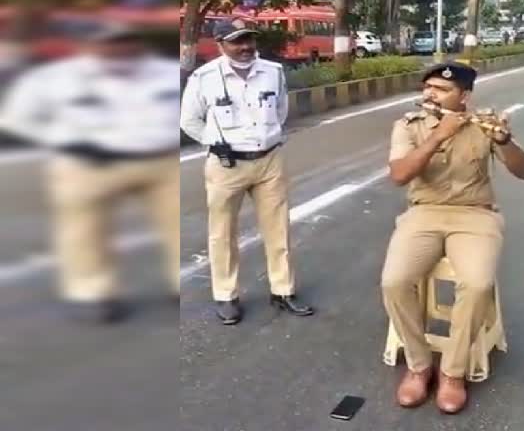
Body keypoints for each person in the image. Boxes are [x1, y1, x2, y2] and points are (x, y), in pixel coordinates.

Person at [0, 24, 181, 323]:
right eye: (108, 43)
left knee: (175, 226)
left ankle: (179, 284)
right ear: (85, 45)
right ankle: (91, 292)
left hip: (160, 161)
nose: (119, 49)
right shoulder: (53, 78)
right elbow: (16, 118)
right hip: (87, 165)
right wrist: (63, 140)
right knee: (82, 230)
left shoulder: (165, 72)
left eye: (126, 41)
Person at [381, 61, 524, 413]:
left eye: (442, 89)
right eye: (428, 87)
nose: (430, 93)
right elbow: (400, 175)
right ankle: (419, 366)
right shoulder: (408, 126)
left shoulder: (483, 124)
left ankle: (453, 372)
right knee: (394, 281)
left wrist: (505, 141)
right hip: (424, 212)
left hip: (475, 214)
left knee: (477, 284)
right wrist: (437, 136)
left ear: (464, 96)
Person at [180, 20, 313, 325]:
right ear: (220, 44)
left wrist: (267, 138)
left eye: (249, 40)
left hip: (269, 161)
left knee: (278, 228)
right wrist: (216, 143)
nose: (245, 47)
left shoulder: (273, 72)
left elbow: (280, 111)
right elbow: (189, 120)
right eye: (237, 41)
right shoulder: (205, 77)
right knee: (222, 233)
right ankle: (226, 296)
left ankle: (283, 291)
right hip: (226, 166)